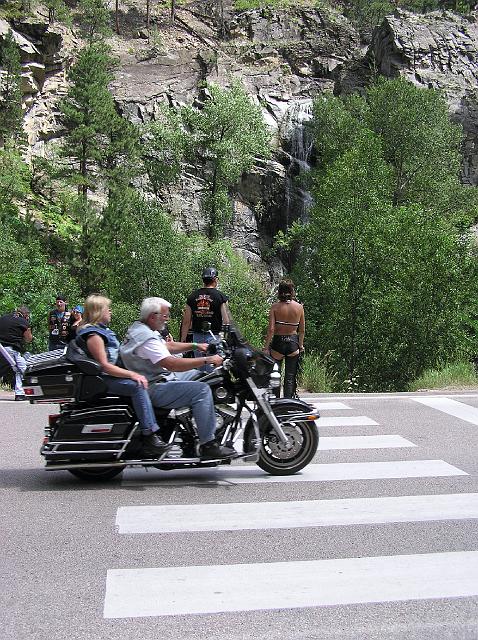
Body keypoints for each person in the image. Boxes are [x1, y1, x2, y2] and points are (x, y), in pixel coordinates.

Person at [121, 297, 236, 460]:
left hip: (158, 377)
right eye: (165, 316)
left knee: (205, 377)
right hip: (155, 385)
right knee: (202, 390)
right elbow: (171, 364)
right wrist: (207, 360)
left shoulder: (140, 328)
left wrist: (196, 346)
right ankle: (208, 444)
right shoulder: (146, 338)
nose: (167, 319)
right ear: (153, 316)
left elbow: (167, 346)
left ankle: (194, 429)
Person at [76, 295, 170, 457]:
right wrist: (132, 374)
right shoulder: (94, 336)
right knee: (138, 386)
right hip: (105, 379)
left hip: (109, 376)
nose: (110, 311)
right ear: (98, 312)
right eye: (107, 308)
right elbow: (105, 366)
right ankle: (149, 436)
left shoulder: (100, 330)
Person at [180, 267, 229, 370]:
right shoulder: (221, 297)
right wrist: (226, 338)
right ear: (215, 279)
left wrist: (183, 339)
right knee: (214, 368)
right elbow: (226, 320)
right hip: (214, 336)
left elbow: (186, 321)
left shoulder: (192, 296)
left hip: (197, 337)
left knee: (200, 367)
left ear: (203, 280)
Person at [263, 279, 305, 398]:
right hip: (293, 343)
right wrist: (300, 345)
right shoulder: (299, 307)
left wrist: (266, 347)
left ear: (279, 291)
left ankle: (277, 403)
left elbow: (271, 329)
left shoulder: (275, 307)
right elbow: (301, 330)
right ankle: (288, 402)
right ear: (292, 291)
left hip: (278, 343)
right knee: (290, 376)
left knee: (275, 375)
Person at [0, 306, 32, 401]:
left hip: (1, 348)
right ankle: (20, 394)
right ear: (26, 315)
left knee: (16, 368)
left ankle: (20, 394)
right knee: (23, 369)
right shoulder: (24, 322)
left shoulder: (3, 318)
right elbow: (28, 338)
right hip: (12, 350)